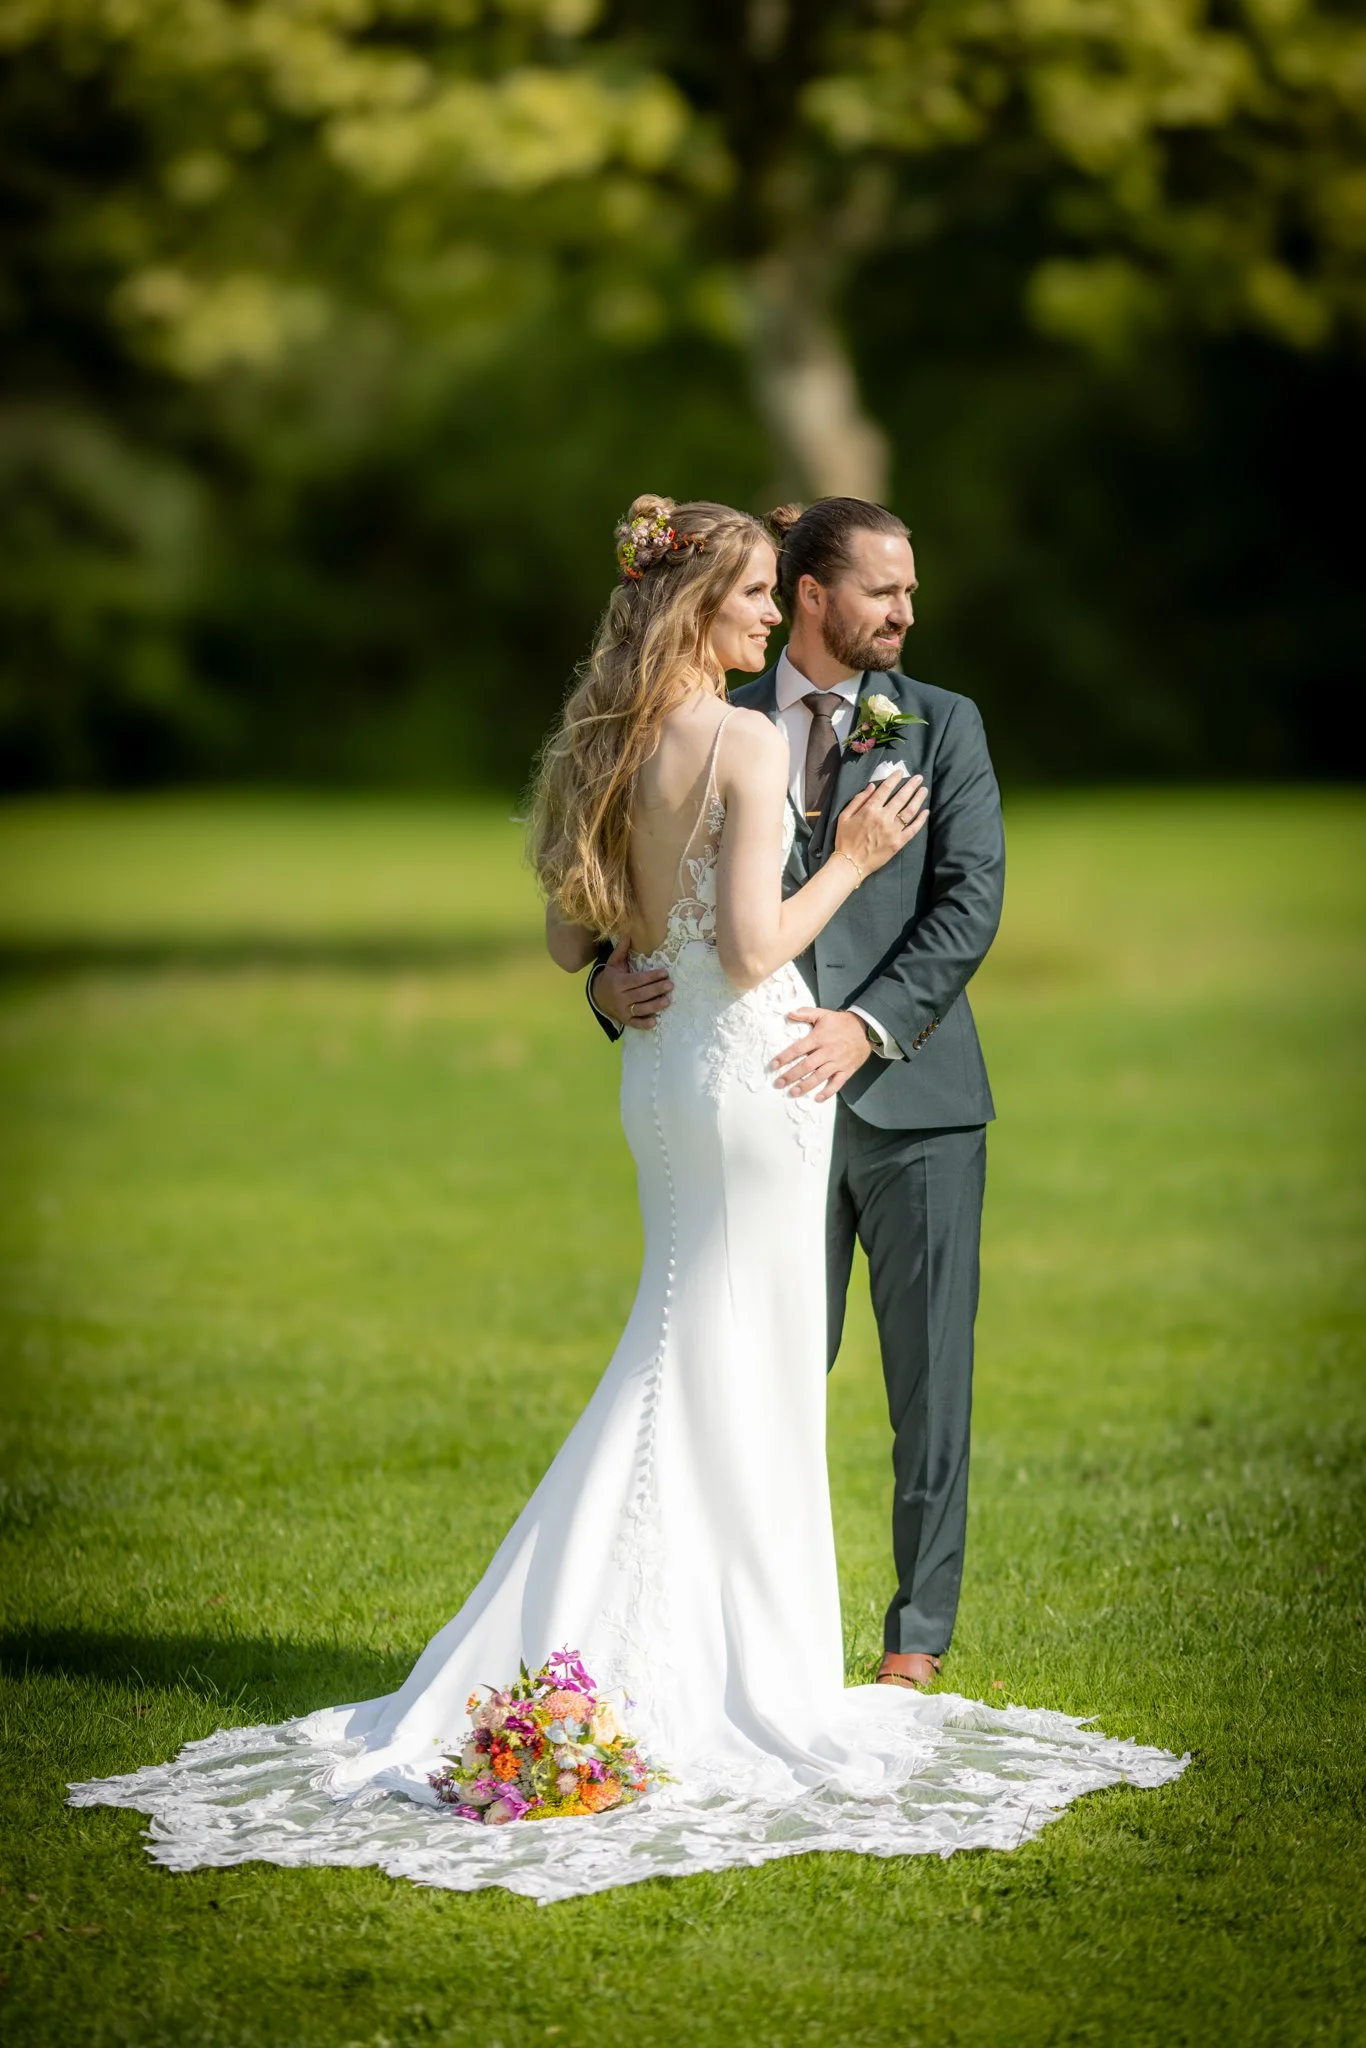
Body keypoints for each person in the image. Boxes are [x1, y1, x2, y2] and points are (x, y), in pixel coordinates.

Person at [70, 495, 1184, 1905]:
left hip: (667, 1081)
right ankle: (734, 1667)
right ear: (700, 605)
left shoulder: (602, 737)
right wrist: (849, 859)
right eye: (755, 598)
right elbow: (759, 935)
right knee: (741, 1364)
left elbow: (562, 928)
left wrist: (611, 973)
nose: (773, 616)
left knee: (687, 1349)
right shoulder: (732, 736)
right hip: (751, 1079)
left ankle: (659, 1638)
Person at [588, 496, 1001, 1690]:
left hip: (915, 1095)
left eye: (909, 592)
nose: (905, 612)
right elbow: (637, 903)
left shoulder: (943, 725)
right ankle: (742, 1632)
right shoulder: (713, 717)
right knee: (756, 1363)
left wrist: (864, 1028)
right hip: (757, 1097)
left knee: (931, 1385)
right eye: (883, 590)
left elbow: (967, 899)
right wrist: (610, 990)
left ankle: (913, 1641)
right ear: (812, 594)